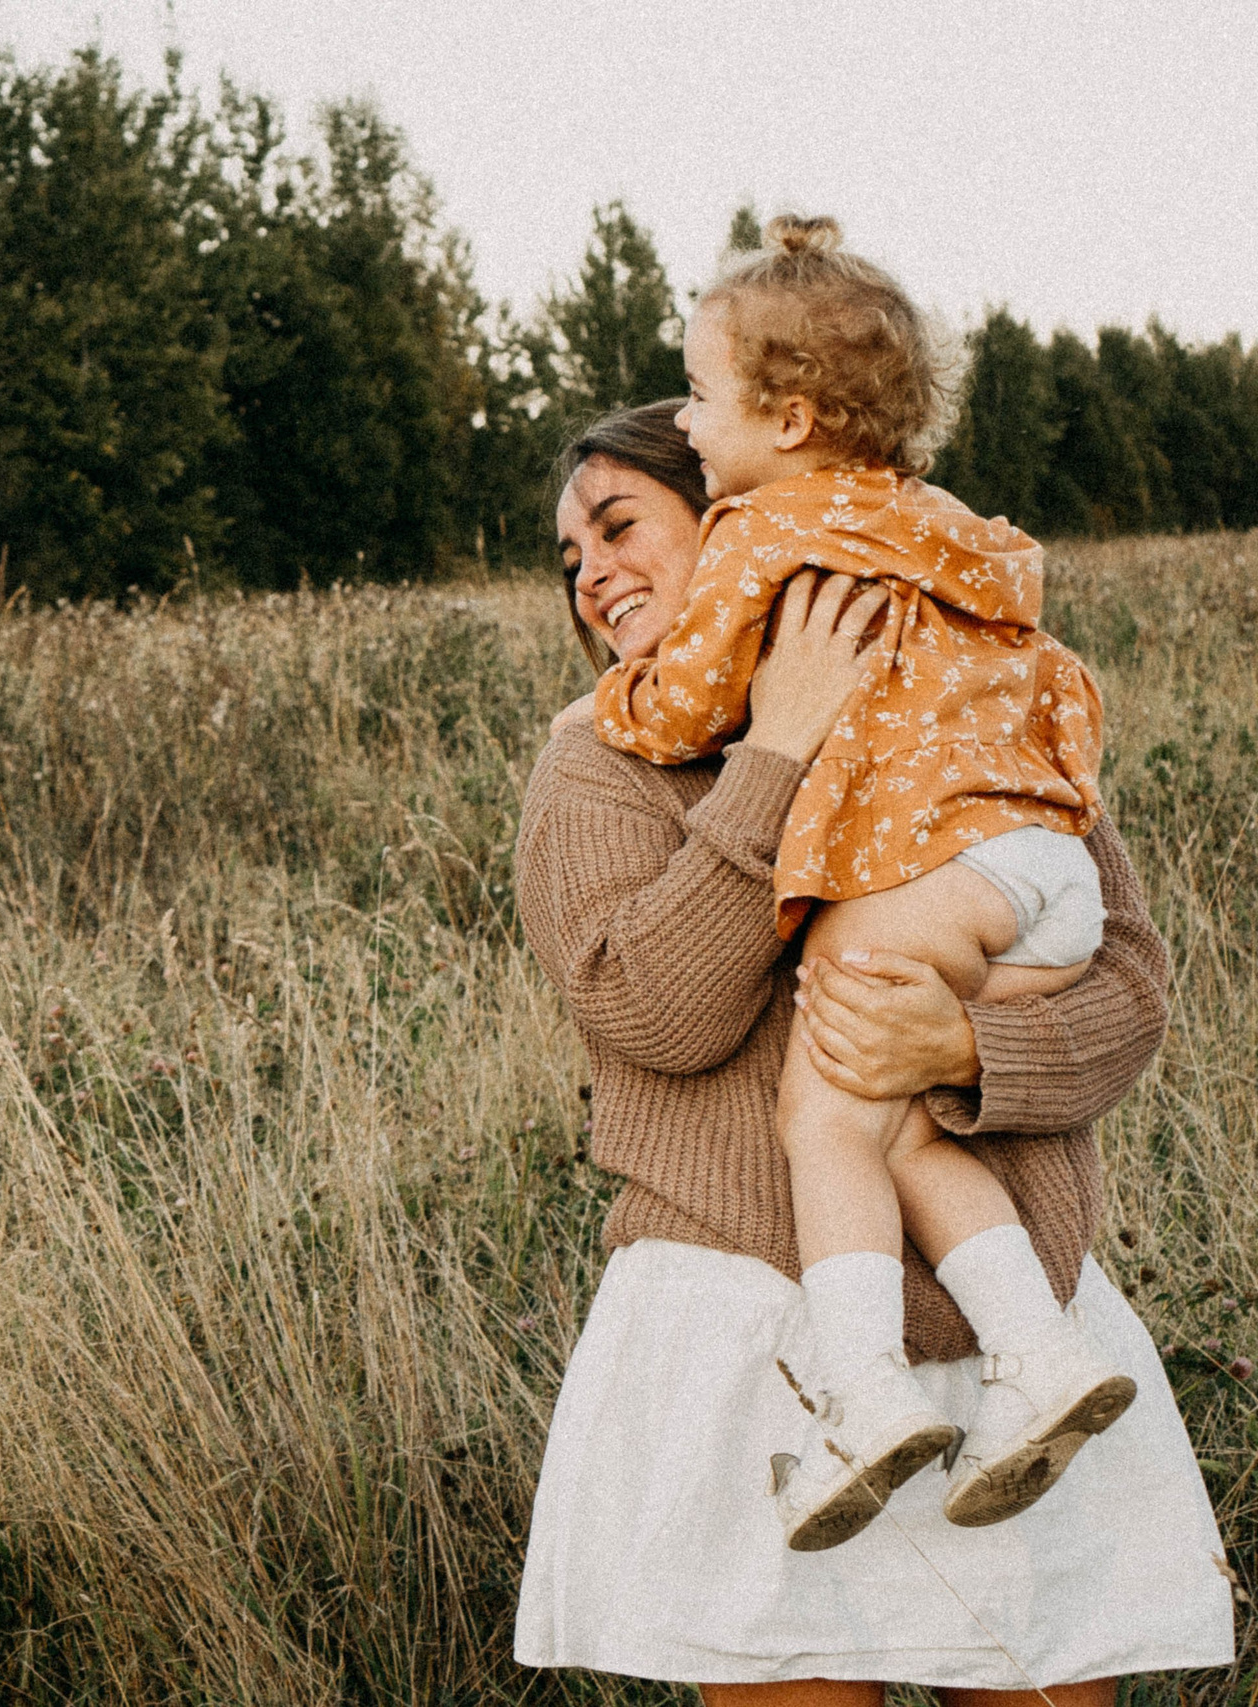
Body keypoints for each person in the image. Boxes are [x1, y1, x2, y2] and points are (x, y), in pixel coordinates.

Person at [513, 400, 1230, 1700]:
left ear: (735, 524)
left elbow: (1126, 982)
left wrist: (964, 1045)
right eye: (570, 559)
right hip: (760, 1341)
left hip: (1015, 1338)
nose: (592, 571)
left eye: (618, 525)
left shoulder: (962, 699)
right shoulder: (595, 772)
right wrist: (776, 749)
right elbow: (653, 1014)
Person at [591, 216, 1123, 1547]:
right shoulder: (955, 531)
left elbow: (684, 702)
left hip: (931, 867)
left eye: (704, 394)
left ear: (793, 418)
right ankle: (1036, 1358)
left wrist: (612, 700)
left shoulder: (769, 531)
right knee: (902, 1119)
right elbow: (1056, 677)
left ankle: (861, 1392)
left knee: (821, 1110)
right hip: (1046, 868)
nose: (689, 419)